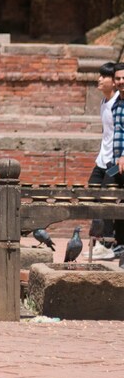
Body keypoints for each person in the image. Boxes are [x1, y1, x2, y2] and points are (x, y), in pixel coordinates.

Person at [86, 62, 118, 259]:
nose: (99, 79)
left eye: (104, 76)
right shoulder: (104, 102)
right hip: (102, 160)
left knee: (107, 199)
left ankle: (107, 243)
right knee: (91, 193)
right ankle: (98, 239)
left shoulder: (118, 104)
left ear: (114, 82)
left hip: (114, 164)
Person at [109, 63, 124, 259]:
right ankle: (117, 243)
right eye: (118, 78)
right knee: (103, 191)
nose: (121, 81)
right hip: (115, 164)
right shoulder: (116, 103)